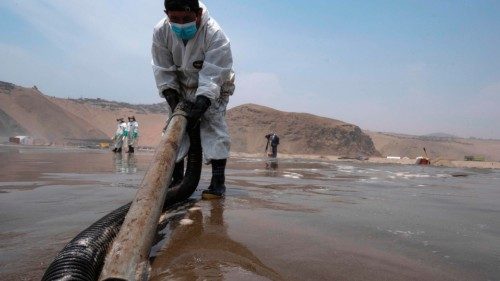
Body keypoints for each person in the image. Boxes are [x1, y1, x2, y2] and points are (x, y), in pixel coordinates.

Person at [152, 0, 235, 199]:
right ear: (166, 14)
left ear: (197, 13)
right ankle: (177, 179)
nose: (181, 24)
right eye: (175, 19)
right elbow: (163, 69)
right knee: (176, 127)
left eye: (186, 19)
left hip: (215, 85)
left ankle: (217, 183)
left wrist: (200, 106)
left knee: (213, 125)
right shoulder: (161, 32)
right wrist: (174, 101)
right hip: (181, 85)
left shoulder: (214, 34)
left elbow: (213, 75)